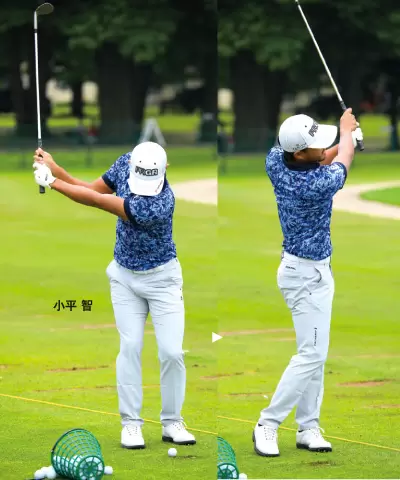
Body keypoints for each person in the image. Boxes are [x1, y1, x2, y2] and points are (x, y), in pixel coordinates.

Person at [32, 141, 196, 449]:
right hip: (124, 278)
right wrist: (54, 169)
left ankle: (172, 421)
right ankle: (131, 424)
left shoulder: (158, 205)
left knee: (172, 352)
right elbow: (90, 188)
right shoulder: (125, 163)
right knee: (130, 346)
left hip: (162, 280)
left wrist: (52, 183)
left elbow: (96, 201)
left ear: (165, 169)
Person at [253, 109, 363, 457]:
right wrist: (347, 134)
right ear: (299, 153)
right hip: (306, 275)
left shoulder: (276, 161)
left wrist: (345, 141)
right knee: (312, 354)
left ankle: (308, 427)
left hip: (305, 271)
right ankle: (267, 424)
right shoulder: (314, 184)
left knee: (314, 352)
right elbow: (340, 163)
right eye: (316, 144)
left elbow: (325, 157)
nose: (322, 147)